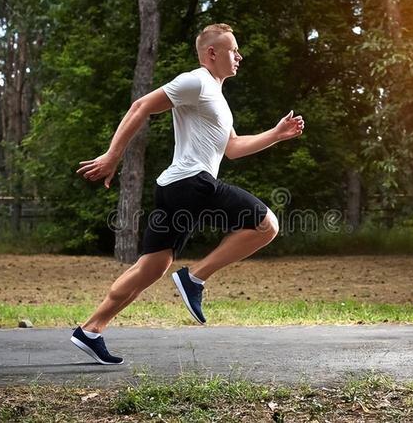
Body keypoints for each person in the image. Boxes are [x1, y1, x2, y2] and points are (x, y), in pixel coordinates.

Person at [72, 23, 304, 365]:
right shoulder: (195, 80)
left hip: (173, 187)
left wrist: (276, 134)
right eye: (233, 49)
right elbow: (141, 106)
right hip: (191, 183)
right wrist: (112, 155)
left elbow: (233, 149)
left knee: (153, 266)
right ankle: (194, 277)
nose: (239, 56)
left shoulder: (217, 97)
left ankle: (90, 329)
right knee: (266, 225)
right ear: (212, 53)